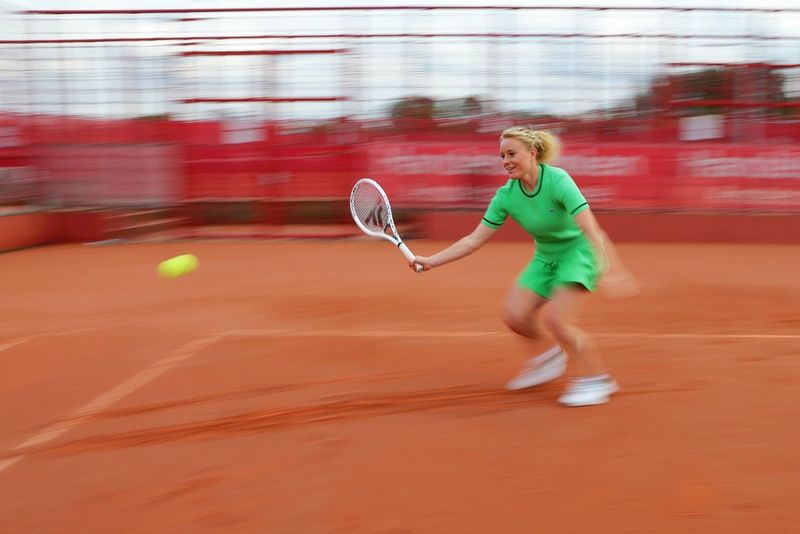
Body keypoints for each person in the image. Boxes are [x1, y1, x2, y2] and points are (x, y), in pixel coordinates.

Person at [410, 126, 637, 407]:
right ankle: (548, 360)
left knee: (557, 320)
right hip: (545, 257)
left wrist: (613, 268)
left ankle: (597, 379)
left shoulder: (557, 181)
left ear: (532, 153)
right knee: (515, 316)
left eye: (511, 153)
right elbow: (473, 240)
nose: (505, 160)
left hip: (578, 254)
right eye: (502, 155)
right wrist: (431, 261)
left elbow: (593, 230)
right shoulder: (506, 196)